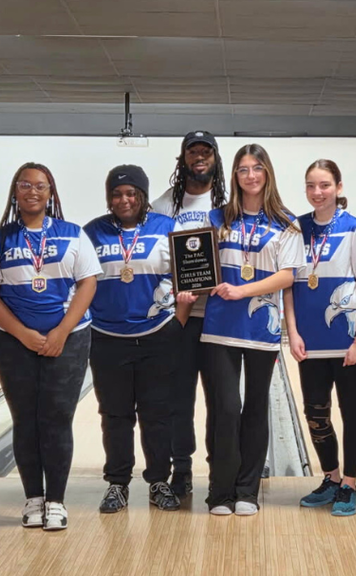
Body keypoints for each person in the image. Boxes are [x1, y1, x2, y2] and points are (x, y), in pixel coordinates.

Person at [0, 162, 100, 531]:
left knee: (57, 418)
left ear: (51, 193)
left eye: (40, 185)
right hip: (12, 341)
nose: (33, 191)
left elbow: (88, 284)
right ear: (15, 191)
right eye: (25, 184)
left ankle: (57, 501)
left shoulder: (72, 234)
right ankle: (33, 498)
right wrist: (21, 333)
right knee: (25, 418)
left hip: (71, 338)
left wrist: (62, 330)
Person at [197, 143, 304, 516]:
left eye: (257, 168)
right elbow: (199, 267)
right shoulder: (217, 219)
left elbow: (288, 275)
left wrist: (242, 290)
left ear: (267, 173)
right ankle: (219, 491)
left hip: (261, 328)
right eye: (243, 169)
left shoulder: (286, 224)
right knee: (225, 409)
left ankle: (247, 490)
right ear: (235, 176)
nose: (250, 175)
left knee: (256, 409)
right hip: (218, 330)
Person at [83, 165, 192, 514]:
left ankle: (159, 479)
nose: (123, 199)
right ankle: (117, 483)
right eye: (116, 194)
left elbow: (188, 278)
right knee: (114, 415)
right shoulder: (92, 233)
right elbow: (78, 283)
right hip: (107, 337)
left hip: (157, 335)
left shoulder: (167, 228)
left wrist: (179, 321)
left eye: (131, 193)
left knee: (157, 413)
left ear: (143, 196)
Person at [284, 159, 356, 517]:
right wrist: (291, 332)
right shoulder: (296, 228)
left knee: (351, 410)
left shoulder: (354, 229)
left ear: (338, 187)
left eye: (324, 185)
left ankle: (350, 485)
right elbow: (289, 286)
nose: (317, 192)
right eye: (311, 185)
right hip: (310, 340)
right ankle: (331, 478)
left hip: (347, 340)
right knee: (315, 413)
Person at [150, 130, 228, 497]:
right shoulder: (165, 205)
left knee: (221, 399)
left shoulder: (229, 202)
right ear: (183, 159)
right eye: (192, 151)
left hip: (220, 316)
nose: (199, 157)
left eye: (205, 151)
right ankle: (181, 469)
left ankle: (220, 467)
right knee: (178, 399)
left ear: (215, 157)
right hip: (178, 319)